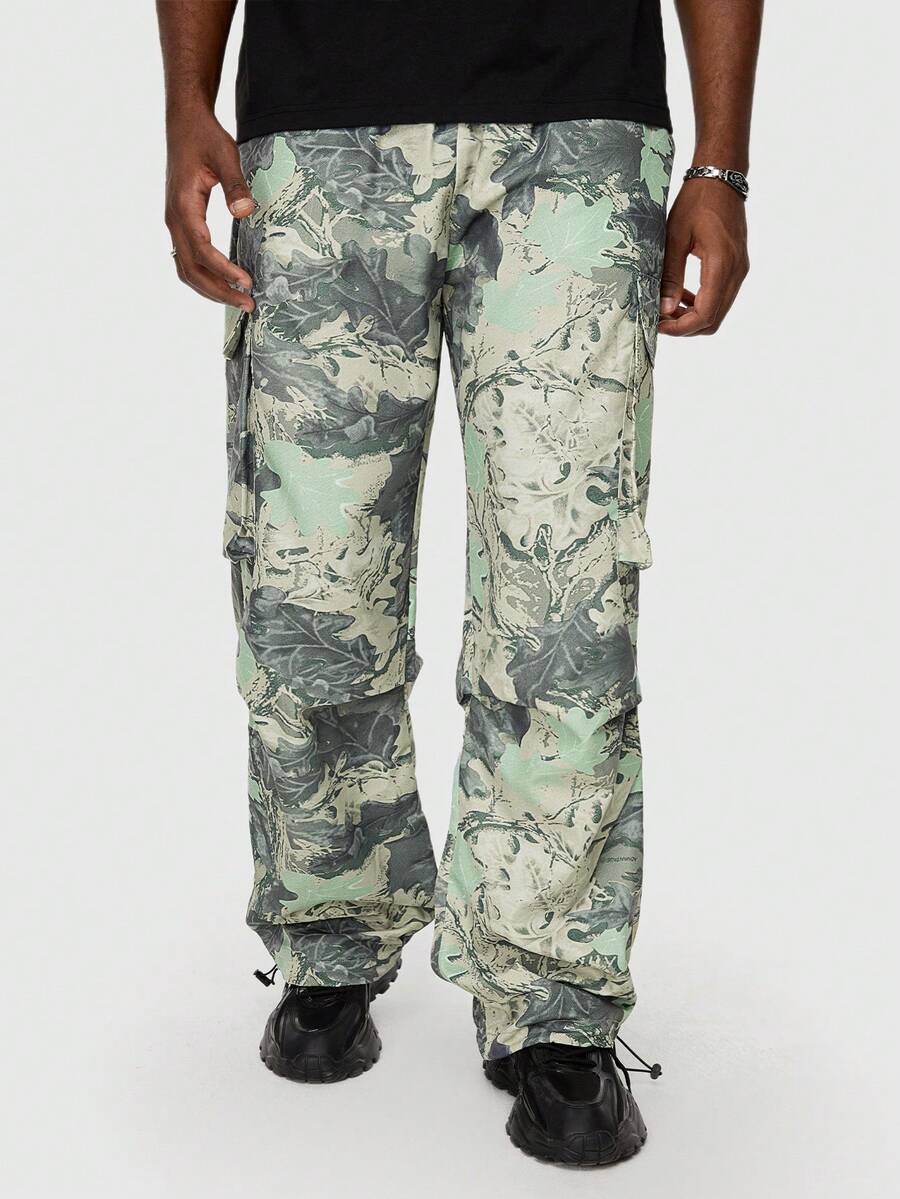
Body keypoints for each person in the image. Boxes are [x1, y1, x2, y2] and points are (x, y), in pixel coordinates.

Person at [157, 0, 761, 1167]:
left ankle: (553, 992)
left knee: (566, 596)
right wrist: (188, 103)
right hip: (320, 130)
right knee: (312, 575)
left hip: (577, 125)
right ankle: (331, 927)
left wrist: (721, 163)